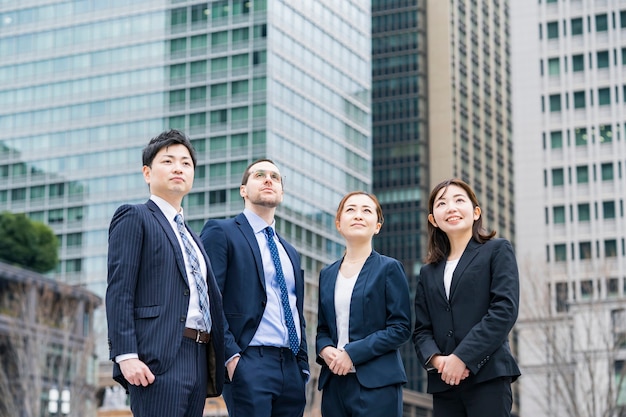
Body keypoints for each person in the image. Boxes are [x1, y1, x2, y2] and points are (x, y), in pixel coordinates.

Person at [106, 130, 225, 417]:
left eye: (186, 163)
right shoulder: (135, 216)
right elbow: (119, 290)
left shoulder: (193, 238)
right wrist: (126, 355)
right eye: (168, 161)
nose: (178, 168)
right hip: (157, 358)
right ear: (147, 173)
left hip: (198, 356)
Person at [200, 158, 308, 417]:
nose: (268, 179)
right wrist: (232, 358)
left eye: (275, 177)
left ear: (282, 191)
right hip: (249, 361)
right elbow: (209, 299)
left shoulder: (290, 251)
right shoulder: (221, 232)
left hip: (291, 368)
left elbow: (295, 308)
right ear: (243, 190)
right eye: (259, 175)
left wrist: (302, 363)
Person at [412, 178, 521, 417]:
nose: (451, 207)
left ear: (475, 212)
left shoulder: (497, 250)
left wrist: (462, 358)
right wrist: (439, 361)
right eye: (441, 203)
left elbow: (503, 311)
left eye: (459, 200)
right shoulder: (428, 272)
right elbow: (422, 329)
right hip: (445, 383)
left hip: (487, 376)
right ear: (433, 219)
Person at [316, 191, 411, 417]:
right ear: (339, 224)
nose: (358, 215)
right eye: (350, 210)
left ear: (377, 226)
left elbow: (400, 328)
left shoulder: (389, 268)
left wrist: (352, 353)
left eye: (366, 210)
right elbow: (322, 329)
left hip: (377, 385)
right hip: (335, 384)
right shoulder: (327, 274)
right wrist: (325, 348)